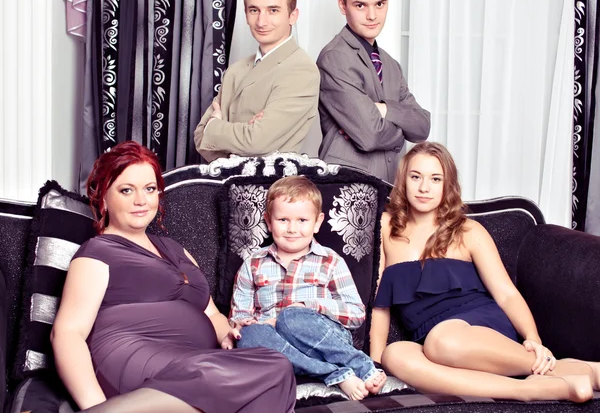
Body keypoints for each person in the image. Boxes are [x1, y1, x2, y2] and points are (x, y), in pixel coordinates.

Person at [51, 141, 296, 413]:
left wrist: (230, 334)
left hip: (193, 362)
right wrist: (93, 403)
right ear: (104, 198)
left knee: (276, 371)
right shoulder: (97, 252)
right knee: (274, 369)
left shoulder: (175, 249)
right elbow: (67, 333)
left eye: (149, 189)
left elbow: (212, 314)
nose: (141, 201)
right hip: (134, 357)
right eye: (126, 190)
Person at [369, 141, 600, 402]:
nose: (424, 188)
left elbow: (506, 294)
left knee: (443, 341)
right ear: (403, 180)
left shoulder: (468, 231)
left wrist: (533, 338)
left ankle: (576, 369)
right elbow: (380, 304)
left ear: (448, 185)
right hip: (429, 340)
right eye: (415, 177)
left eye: (435, 179)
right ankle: (530, 389)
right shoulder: (388, 226)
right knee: (395, 355)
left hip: (480, 327)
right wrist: (374, 364)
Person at [230, 176, 386, 401]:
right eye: (283, 219)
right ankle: (333, 372)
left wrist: (308, 307)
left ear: (317, 222)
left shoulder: (330, 261)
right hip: (278, 346)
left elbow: (356, 314)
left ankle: (360, 364)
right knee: (247, 336)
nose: (292, 229)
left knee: (291, 317)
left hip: (322, 339)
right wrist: (242, 325)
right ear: (268, 220)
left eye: (302, 220)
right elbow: (239, 316)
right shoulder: (253, 263)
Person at [317, 0, 430, 184]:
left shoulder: (390, 64)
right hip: (347, 189)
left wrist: (385, 110)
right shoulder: (334, 57)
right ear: (342, 5)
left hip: (390, 186)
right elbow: (371, 135)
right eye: (360, 5)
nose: (372, 15)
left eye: (380, 4)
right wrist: (401, 132)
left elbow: (422, 127)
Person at [194, 0, 319, 163]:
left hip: (272, 187)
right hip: (225, 184)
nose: (261, 21)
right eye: (254, 10)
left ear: (292, 15)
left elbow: (257, 141)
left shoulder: (301, 70)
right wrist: (244, 134)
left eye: (273, 10)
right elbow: (200, 137)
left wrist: (215, 127)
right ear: (246, 15)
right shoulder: (235, 70)